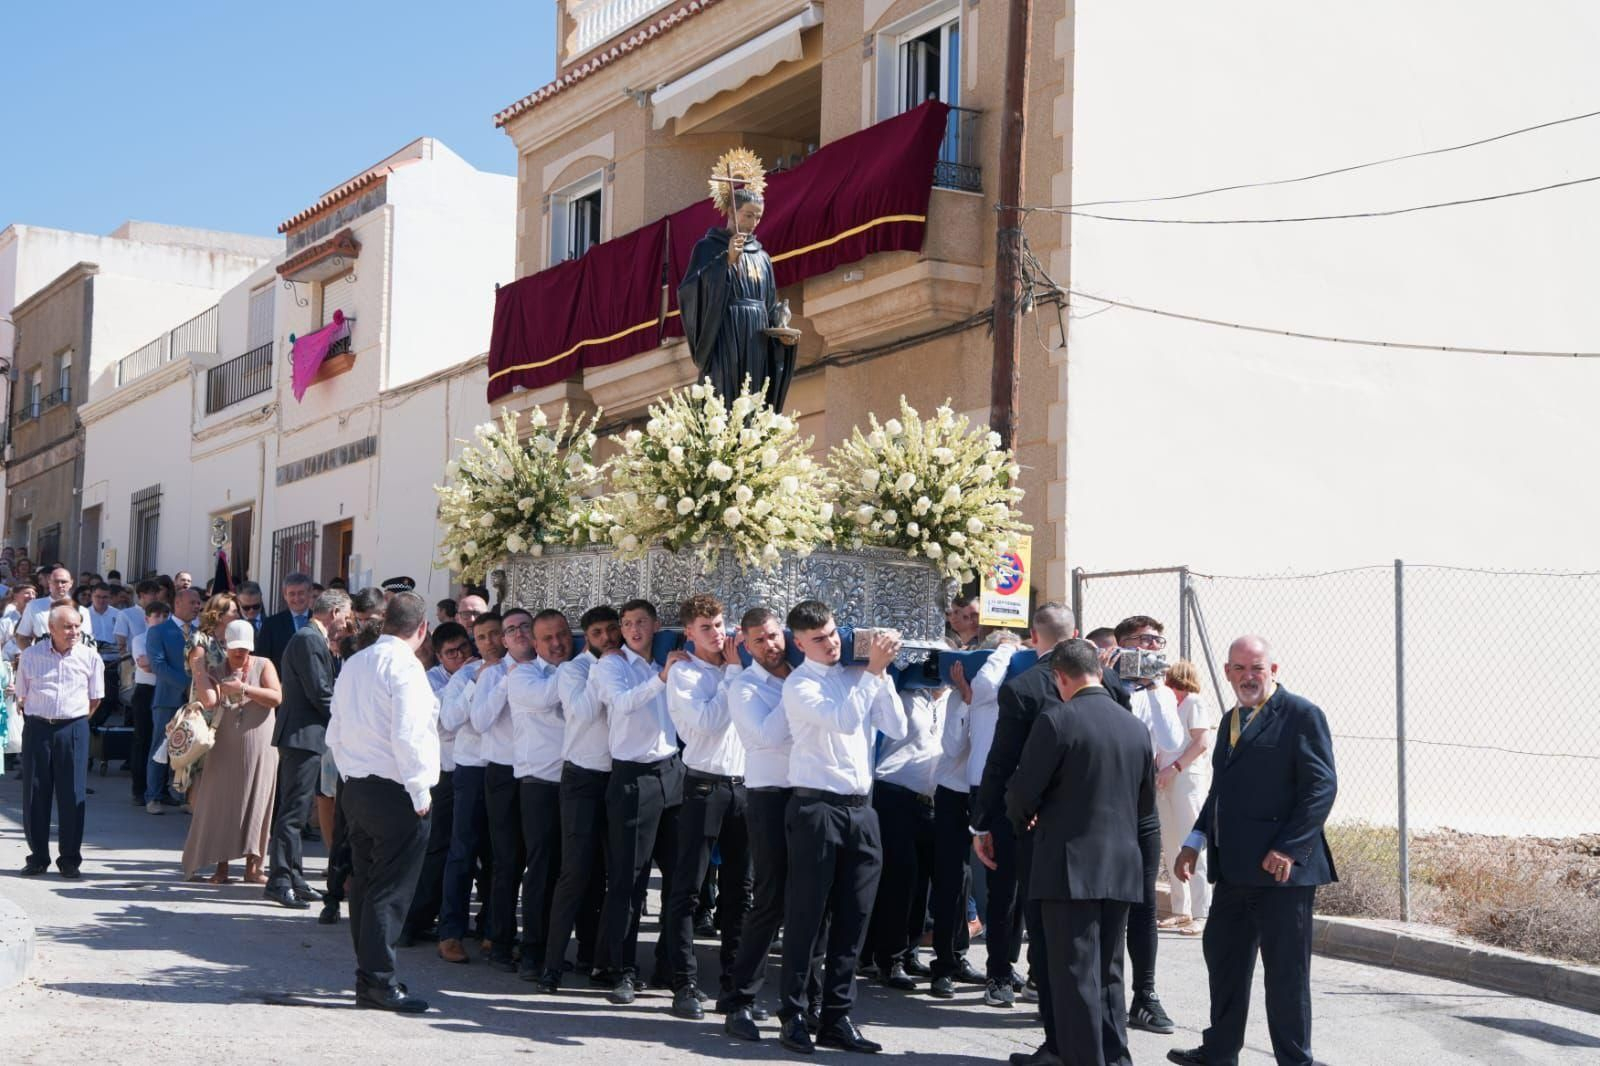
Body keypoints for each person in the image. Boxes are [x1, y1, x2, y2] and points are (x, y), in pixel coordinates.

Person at [1168, 637, 1338, 1066]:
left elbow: (1321, 788)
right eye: (1239, 669)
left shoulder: (1302, 715)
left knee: (1286, 977)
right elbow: (1220, 792)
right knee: (1224, 963)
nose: (1248, 677)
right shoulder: (1230, 720)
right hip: (1234, 873)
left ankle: (1295, 1060)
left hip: (1283, 876)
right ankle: (1219, 1052)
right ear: (1227, 673)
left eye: (1257, 668)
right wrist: (1194, 841)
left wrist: (1289, 848)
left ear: (1273, 669)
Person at [972, 603, 1130, 1066]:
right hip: (1112, 832)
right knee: (1105, 960)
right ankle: (1106, 1050)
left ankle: (1062, 1047)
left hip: (1043, 832)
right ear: (1076, 633)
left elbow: (1002, 765)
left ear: (1033, 638)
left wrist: (986, 821)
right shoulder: (1113, 685)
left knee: (1050, 943)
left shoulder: (1021, 688)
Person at [1007, 639, 1158, 1066]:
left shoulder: (1058, 720)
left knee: (1073, 974)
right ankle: (1115, 1059)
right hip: (1122, 865)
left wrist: (1025, 819)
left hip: (1068, 866)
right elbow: (1144, 803)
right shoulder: (1134, 727)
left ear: (1060, 677)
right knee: (1109, 973)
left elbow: (1021, 794)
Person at [776, 600, 905, 1054]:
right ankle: (792, 1013)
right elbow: (843, 719)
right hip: (817, 809)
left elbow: (897, 725)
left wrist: (882, 674)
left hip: (861, 810)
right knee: (807, 917)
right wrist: (871, 673)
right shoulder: (798, 684)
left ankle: (837, 1016)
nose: (830, 644)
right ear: (799, 644)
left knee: (854, 918)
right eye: (818, 639)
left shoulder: (860, 675)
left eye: (832, 634)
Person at [326, 590, 440, 1014]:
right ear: (422, 629)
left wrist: (350, 774)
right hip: (395, 791)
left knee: (368, 885)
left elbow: (335, 730)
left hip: (358, 787)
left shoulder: (356, 662)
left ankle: (369, 977)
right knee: (387, 892)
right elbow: (408, 734)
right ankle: (378, 981)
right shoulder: (406, 667)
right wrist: (419, 791)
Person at [590, 598, 688, 1004]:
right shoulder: (611, 665)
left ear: (655, 625)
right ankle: (621, 968)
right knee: (628, 879)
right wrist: (663, 678)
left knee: (679, 878)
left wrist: (665, 674)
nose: (632, 630)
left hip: (671, 771)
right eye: (627, 623)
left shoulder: (659, 665)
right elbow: (624, 703)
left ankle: (671, 965)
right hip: (632, 778)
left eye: (641, 622)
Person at [662, 594, 751, 1019]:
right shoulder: (685, 674)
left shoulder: (740, 669)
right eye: (706, 628)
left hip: (743, 786)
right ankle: (685, 984)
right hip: (702, 786)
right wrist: (733, 674)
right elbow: (709, 724)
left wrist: (737, 671)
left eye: (719, 624)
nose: (717, 634)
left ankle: (734, 985)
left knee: (742, 891)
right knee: (688, 889)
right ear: (688, 633)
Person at [677, 148, 798, 410]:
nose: (754, 222)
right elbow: (689, 291)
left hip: (756, 338)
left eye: (758, 217)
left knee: (754, 398)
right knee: (726, 396)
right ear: (731, 213)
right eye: (748, 215)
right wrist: (726, 262)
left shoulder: (762, 256)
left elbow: (768, 304)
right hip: (726, 333)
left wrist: (780, 321)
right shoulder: (708, 248)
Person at [537, 604, 619, 991]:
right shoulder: (575, 670)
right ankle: (552, 964)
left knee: (609, 874)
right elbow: (585, 712)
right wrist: (603, 669)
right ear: (587, 638)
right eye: (598, 633)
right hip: (581, 779)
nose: (608, 638)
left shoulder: (627, 663)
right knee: (575, 873)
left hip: (616, 778)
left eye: (611, 631)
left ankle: (596, 957)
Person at [1112, 614, 1185, 1036]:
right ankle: (1102, 995)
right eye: (1142, 640)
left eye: (1157, 641)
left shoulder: (1159, 695)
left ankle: (1145, 995)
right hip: (1101, 806)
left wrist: (1156, 688)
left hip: (1141, 807)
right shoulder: (1104, 683)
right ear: (1122, 645)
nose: (1151, 648)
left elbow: (1173, 744)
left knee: (1142, 906)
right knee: (1104, 907)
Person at [942, 629, 1021, 1001]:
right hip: (978, 793)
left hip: (1014, 793)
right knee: (986, 885)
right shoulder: (982, 693)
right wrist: (1005, 650)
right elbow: (988, 680)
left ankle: (1009, 963)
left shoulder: (1017, 693)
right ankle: (988, 971)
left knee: (1016, 889)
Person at [264, 588, 350, 909]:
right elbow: (320, 692)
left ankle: (295, 877)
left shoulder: (312, 639)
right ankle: (280, 880)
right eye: (346, 615)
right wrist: (349, 723)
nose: (347, 622)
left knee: (298, 813)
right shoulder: (308, 639)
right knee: (292, 812)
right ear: (335, 611)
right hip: (302, 736)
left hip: (309, 736)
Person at [181, 619, 283, 884]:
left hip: (260, 745)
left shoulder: (263, 664)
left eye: (245, 648)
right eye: (236, 647)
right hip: (224, 745)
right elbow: (210, 701)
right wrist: (199, 669)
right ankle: (221, 868)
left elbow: (276, 697)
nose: (241, 653)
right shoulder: (217, 669)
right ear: (226, 645)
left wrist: (245, 688)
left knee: (258, 802)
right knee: (221, 804)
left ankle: (254, 867)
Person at [865, 679, 948, 993]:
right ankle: (889, 958)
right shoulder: (906, 693)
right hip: (895, 791)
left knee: (922, 882)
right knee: (899, 879)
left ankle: (910, 950)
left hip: (932, 797)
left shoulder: (953, 698)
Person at [504, 608, 573, 981]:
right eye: (547, 638)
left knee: (574, 871)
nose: (557, 643)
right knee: (541, 869)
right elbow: (550, 696)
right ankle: (532, 949)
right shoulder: (524, 676)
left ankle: (558, 949)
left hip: (576, 782)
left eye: (562, 634)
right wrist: (577, 668)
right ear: (534, 642)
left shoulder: (577, 668)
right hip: (540, 784)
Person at [469, 606, 539, 971]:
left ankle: (535, 940)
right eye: (510, 630)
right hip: (503, 772)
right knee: (506, 860)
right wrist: (506, 683)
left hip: (540, 774)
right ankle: (499, 939)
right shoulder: (493, 674)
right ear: (504, 639)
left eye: (524, 627)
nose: (518, 634)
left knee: (539, 861)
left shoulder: (548, 667)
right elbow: (479, 721)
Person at [16, 603, 104, 877]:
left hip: (73, 728)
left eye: (77, 626)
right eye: (67, 627)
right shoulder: (30, 656)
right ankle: (38, 857)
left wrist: (73, 721)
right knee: (35, 793)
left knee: (72, 794)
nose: (74, 631)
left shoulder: (90, 657)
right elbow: (22, 695)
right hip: (38, 728)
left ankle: (69, 860)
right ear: (51, 629)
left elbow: (95, 699)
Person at [402, 621, 474, 946]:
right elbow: (445, 723)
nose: (459, 656)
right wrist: (465, 679)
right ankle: (413, 921)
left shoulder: (479, 673)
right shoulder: (431, 681)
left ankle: (451, 918)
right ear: (439, 655)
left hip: (472, 769)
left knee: (466, 852)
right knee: (438, 850)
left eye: (463, 649)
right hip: (444, 772)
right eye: (450, 653)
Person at [435, 611, 502, 963]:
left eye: (495, 635)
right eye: (482, 638)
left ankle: (493, 927)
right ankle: (451, 931)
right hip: (472, 768)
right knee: (462, 851)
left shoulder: (517, 668)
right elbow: (449, 720)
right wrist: (477, 679)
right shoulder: (464, 675)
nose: (489, 643)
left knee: (499, 855)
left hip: (505, 769)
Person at [1157, 660, 1217, 935]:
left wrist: (1175, 767)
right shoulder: (1169, 706)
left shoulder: (1194, 702)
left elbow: (1202, 743)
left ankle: (1202, 913)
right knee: (1171, 844)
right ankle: (1181, 909)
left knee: (1192, 843)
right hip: (1165, 780)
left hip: (1186, 779)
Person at [145, 588, 201, 813]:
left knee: (191, 747)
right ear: (178, 603)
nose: (197, 606)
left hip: (195, 701)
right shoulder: (159, 631)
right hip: (168, 699)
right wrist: (187, 684)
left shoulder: (200, 632)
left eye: (199, 603)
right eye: (193, 603)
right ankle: (154, 796)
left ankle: (183, 794)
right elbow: (158, 665)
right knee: (161, 746)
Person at [126, 600, 166, 806]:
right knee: (143, 738)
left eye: (163, 616)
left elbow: (155, 663)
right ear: (147, 618)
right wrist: (163, 663)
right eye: (155, 616)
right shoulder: (140, 639)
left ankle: (162, 788)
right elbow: (145, 665)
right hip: (145, 691)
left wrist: (158, 662)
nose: (159, 620)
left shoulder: (169, 637)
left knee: (164, 741)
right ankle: (139, 788)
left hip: (166, 689)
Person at [257, 572, 314, 670]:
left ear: (309, 594)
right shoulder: (271, 624)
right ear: (285, 596)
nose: (296, 598)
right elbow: (262, 659)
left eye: (301, 593)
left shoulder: (320, 620)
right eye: (292, 594)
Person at [86, 584, 124, 722]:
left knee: (110, 696)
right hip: (91, 661)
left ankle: (98, 724)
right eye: (98, 597)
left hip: (113, 661)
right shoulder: (84, 614)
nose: (101, 600)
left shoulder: (118, 615)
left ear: (110, 598)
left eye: (105, 597)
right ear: (92, 596)